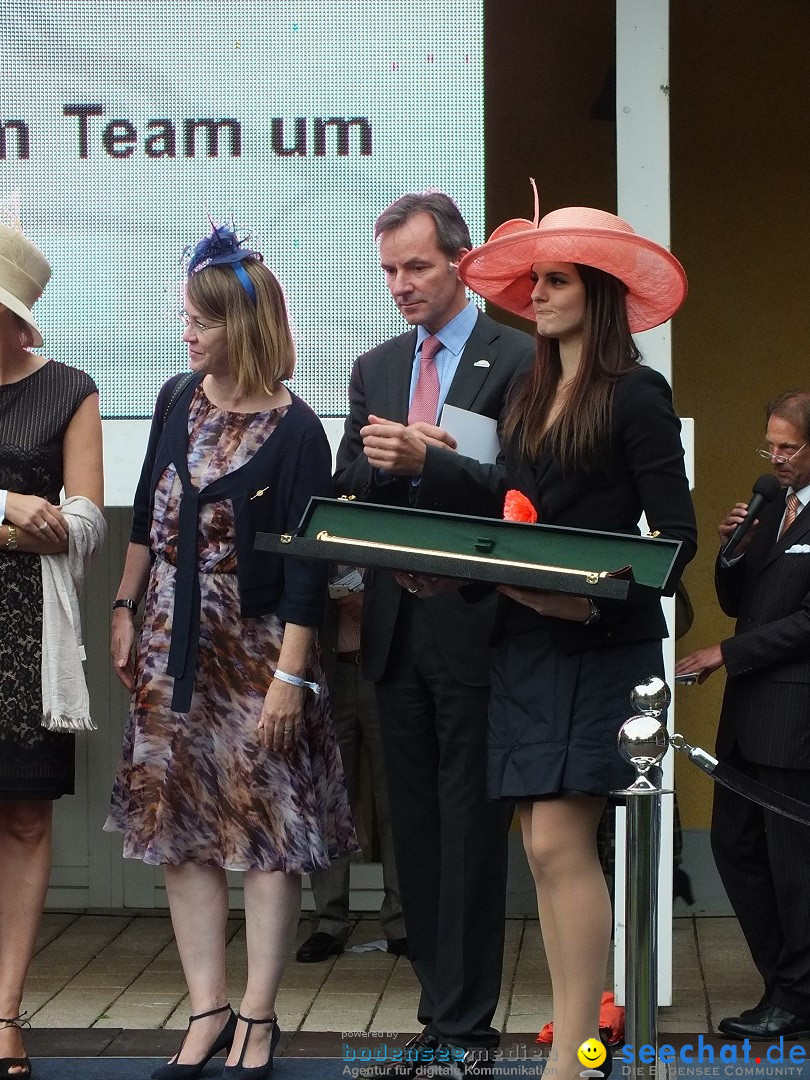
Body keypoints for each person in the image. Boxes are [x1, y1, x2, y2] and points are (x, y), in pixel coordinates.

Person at [415, 199, 696, 1080]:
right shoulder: (529, 390)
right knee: (542, 849)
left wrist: (594, 606)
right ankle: (576, 1051)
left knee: (555, 846)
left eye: (555, 279)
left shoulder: (638, 393)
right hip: (522, 641)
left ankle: (573, 1060)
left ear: (599, 294)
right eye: (533, 279)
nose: (534, 293)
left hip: (596, 644)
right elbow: (511, 515)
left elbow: (678, 535)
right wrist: (449, 571)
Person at [104, 224, 357, 1080]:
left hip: (256, 657)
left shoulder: (298, 433)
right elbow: (145, 515)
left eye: (198, 323)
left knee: (265, 832)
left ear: (241, 329)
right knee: (181, 832)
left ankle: (257, 1015)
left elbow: (307, 569)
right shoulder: (178, 397)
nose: (186, 335)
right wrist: (124, 605)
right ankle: (206, 1009)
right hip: (171, 651)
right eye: (184, 319)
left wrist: (290, 677)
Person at [334, 191, 534, 1078]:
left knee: (468, 830)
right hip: (393, 627)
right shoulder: (376, 367)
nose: (400, 285)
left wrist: (436, 462)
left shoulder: (519, 356)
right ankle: (434, 1017)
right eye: (388, 271)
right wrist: (383, 470)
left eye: (416, 267)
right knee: (412, 834)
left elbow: (526, 489)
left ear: (459, 261)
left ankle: (469, 1027)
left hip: (475, 626)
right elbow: (346, 491)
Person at [0, 217, 103, 1080]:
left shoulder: (69, 386)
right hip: (18, 574)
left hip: (32, 634)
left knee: (27, 819)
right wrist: (8, 509)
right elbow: (32, 519)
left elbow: (88, 522)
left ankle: (4, 1013)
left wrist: (49, 524)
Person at [676, 391, 810, 1040]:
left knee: (795, 865)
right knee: (734, 846)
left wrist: (723, 653)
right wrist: (736, 547)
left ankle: (796, 996)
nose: (776, 459)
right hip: (747, 715)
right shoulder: (775, 507)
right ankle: (785, 981)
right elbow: (738, 601)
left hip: (796, 721)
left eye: (790, 447)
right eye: (772, 446)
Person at [297, 572, 406, 963]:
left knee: (398, 797)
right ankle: (328, 923)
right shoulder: (316, 512)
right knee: (329, 799)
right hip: (329, 670)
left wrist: (375, 602)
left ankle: (404, 923)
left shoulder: (385, 510)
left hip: (388, 671)